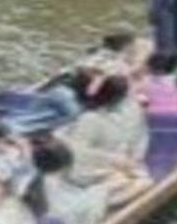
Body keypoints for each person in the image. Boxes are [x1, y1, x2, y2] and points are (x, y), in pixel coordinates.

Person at [61, 72, 151, 205]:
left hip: (113, 166)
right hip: (88, 169)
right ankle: (99, 202)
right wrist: (113, 160)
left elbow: (141, 138)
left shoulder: (131, 112)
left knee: (144, 181)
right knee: (129, 180)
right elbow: (79, 152)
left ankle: (102, 199)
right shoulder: (90, 119)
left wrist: (133, 159)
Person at [28, 137, 106, 224]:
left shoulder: (41, 180)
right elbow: (71, 209)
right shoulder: (52, 184)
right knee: (104, 191)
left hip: (58, 222)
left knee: (104, 189)